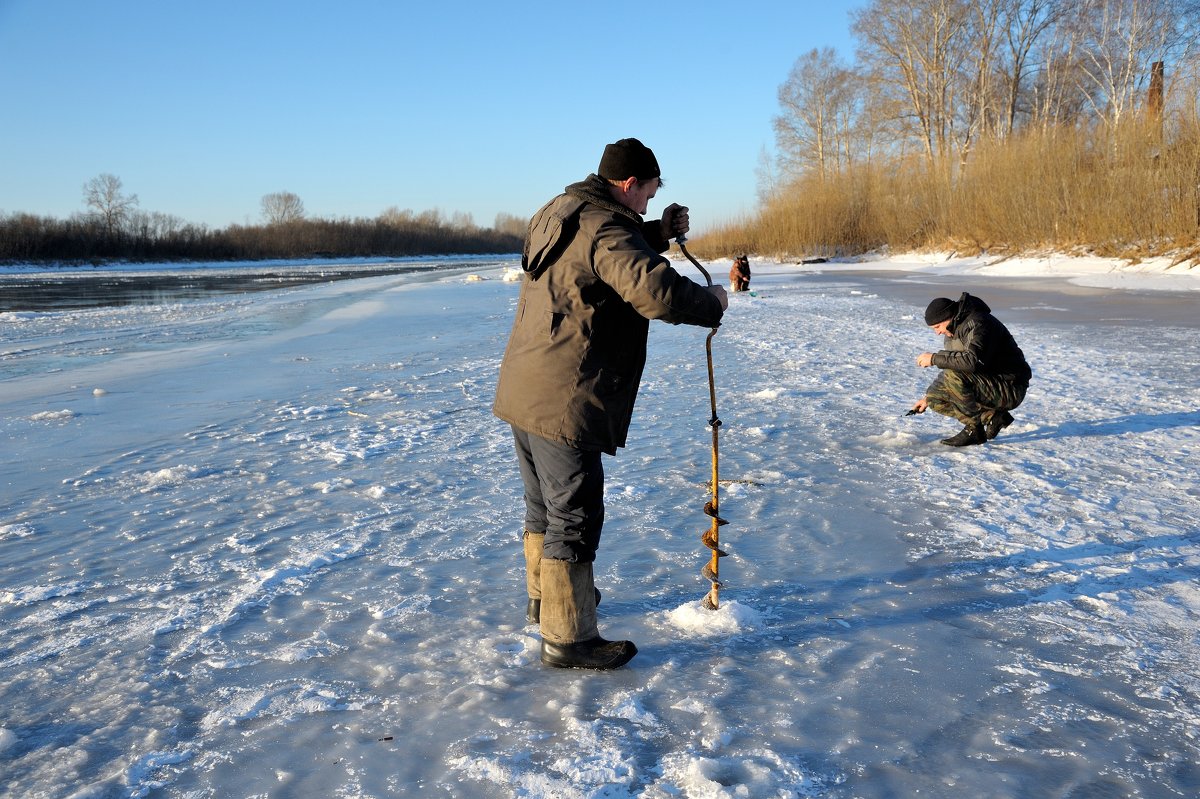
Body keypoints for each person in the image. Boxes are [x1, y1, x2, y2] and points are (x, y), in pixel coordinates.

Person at [493, 138, 728, 670]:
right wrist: (710, 302)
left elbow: (598, 254)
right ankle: (569, 636)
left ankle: (546, 602)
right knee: (573, 514)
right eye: (648, 193)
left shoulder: (561, 209)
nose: (649, 202)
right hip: (564, 394)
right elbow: (656, 293)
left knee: (544, 507)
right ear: (628, 185)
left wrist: (657, 234)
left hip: (526, 387)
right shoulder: (608, 225)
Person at [910, 292, 1031, 447]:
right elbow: (953, 366)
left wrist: (934, 358)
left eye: (937, 326)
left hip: (1010, 386)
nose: (937, 332)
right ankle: (992, 417)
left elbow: (973, 362)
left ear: (947, 316)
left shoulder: (979, 323)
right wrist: (927, 398)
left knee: (956, 375)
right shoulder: (953, 331)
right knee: (935, 399)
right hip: (988, 382)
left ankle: (974, 430)